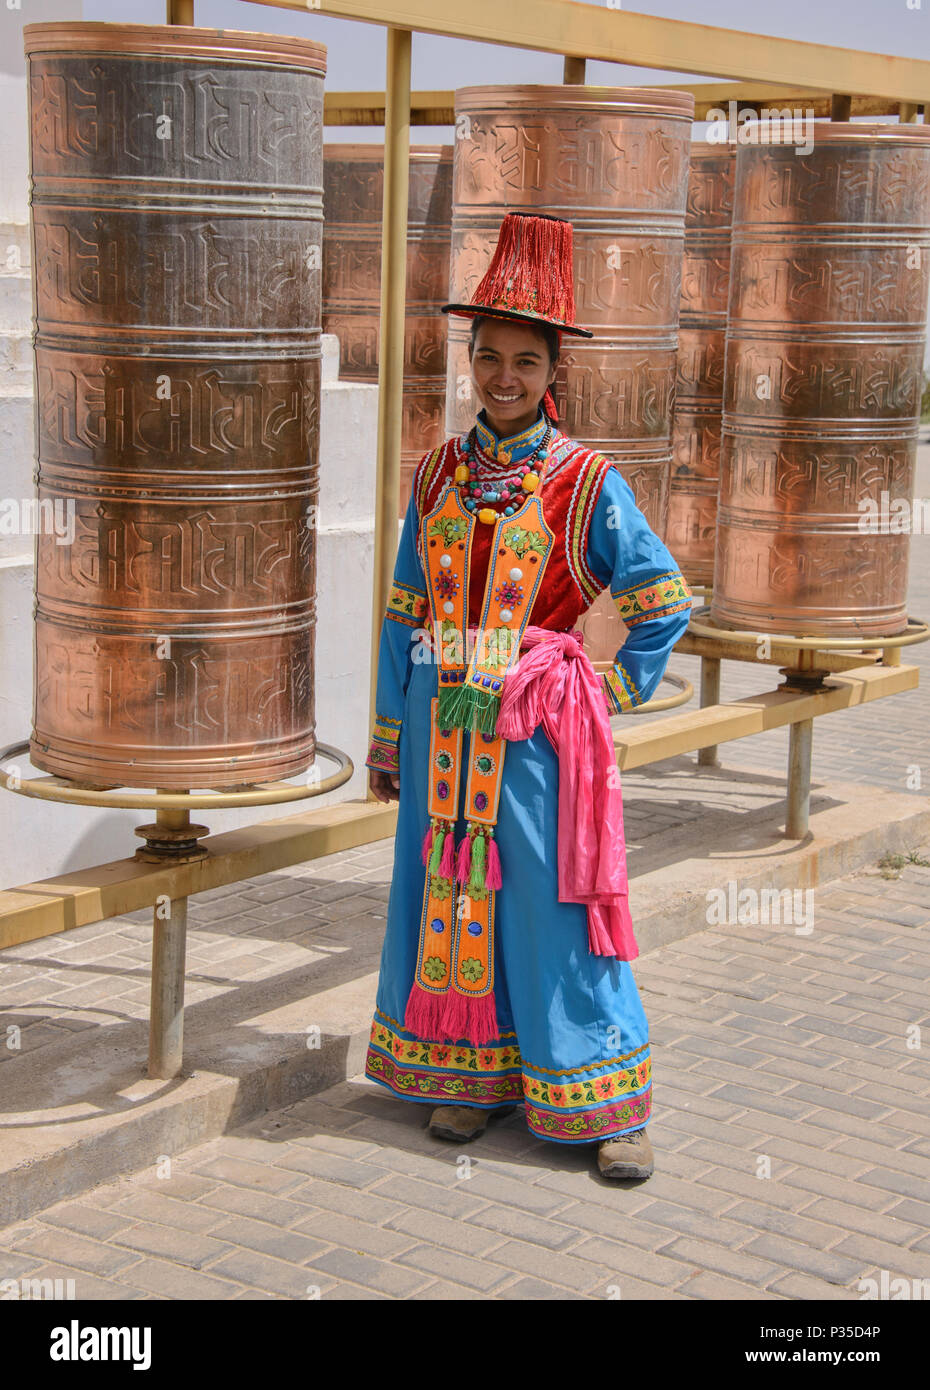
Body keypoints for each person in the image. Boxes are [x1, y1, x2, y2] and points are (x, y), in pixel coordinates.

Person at [365, 212, 692, 1180]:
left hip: (534, 739)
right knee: (452, 895)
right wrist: (390, 734)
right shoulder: (433, 475)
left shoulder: (585, 481)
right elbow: (402, 609)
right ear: (471, 360)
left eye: (526, 360)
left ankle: (605, 1102)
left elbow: (660, 594)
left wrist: (590, 683)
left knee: (556, 906)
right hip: (439, 731)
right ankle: (471, 1083)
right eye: (488, 356)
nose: (504, 376)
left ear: (555, 375)